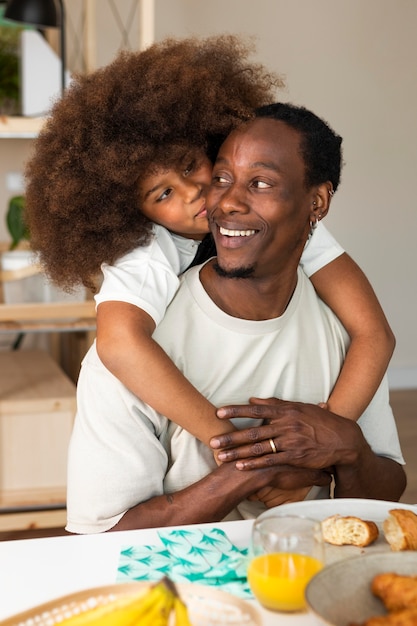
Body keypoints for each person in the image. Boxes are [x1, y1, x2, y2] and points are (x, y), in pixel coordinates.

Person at [25, 37, 394, 478]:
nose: (195, 194)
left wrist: (328, 436)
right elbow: (119, 345)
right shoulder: (145, 254)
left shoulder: (282, 222)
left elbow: (374, 332)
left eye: (190, 166)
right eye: (163, 195)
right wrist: (236, 451)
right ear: (132, 213)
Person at [65, 102, 405, 534]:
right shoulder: (143, 281)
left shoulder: (339, 328)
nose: (216, 199)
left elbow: (375, 335)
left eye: (259, 182)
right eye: (223, 178)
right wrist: (251, 460)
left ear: (316, 203)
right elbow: (99, 540)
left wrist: (342, 442)